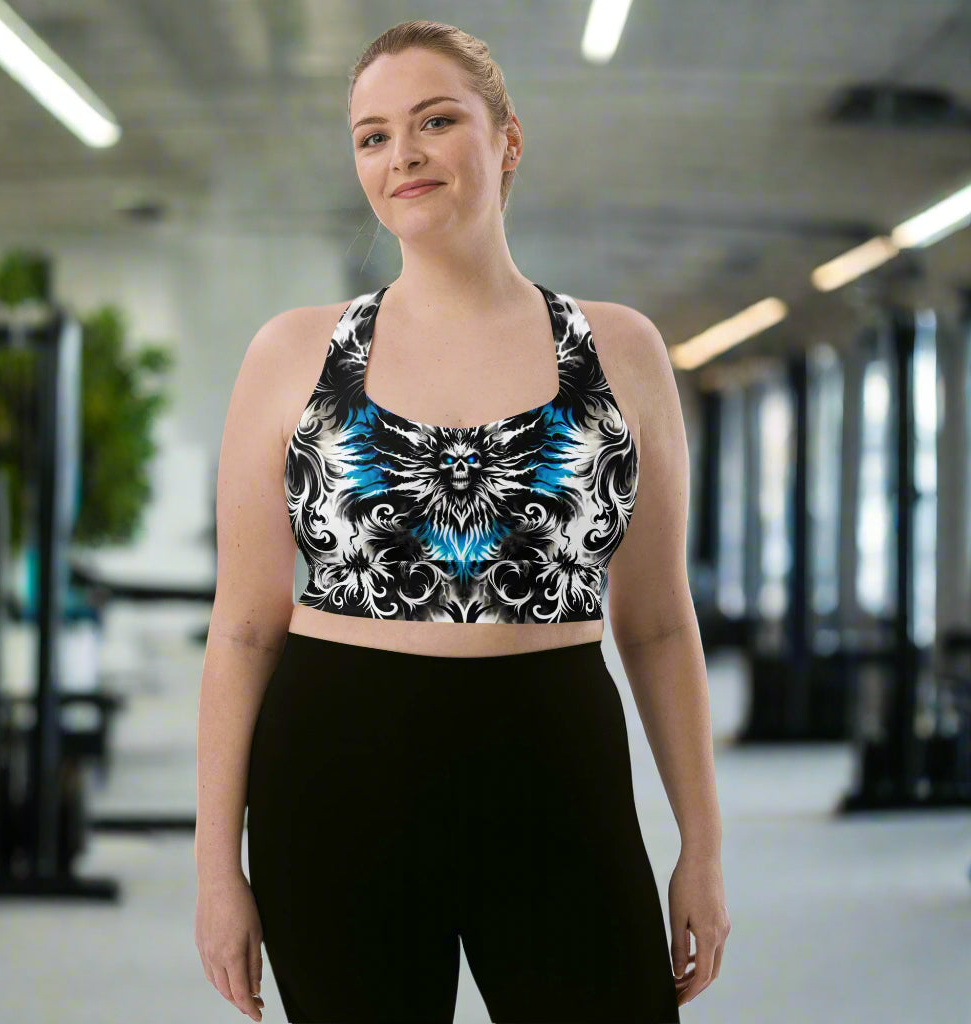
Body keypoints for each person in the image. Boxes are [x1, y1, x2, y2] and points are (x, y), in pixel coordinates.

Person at [194, 18, 729, 1024]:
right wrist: (215, 869)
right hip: (337, 768)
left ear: (506, 138)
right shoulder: (294, 354)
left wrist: (700, 848)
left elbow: (657, 624)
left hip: (554, 757)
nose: (403, 154)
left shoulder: (619, 348)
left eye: (435, 120)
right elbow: (243, 626)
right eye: (372, 134)